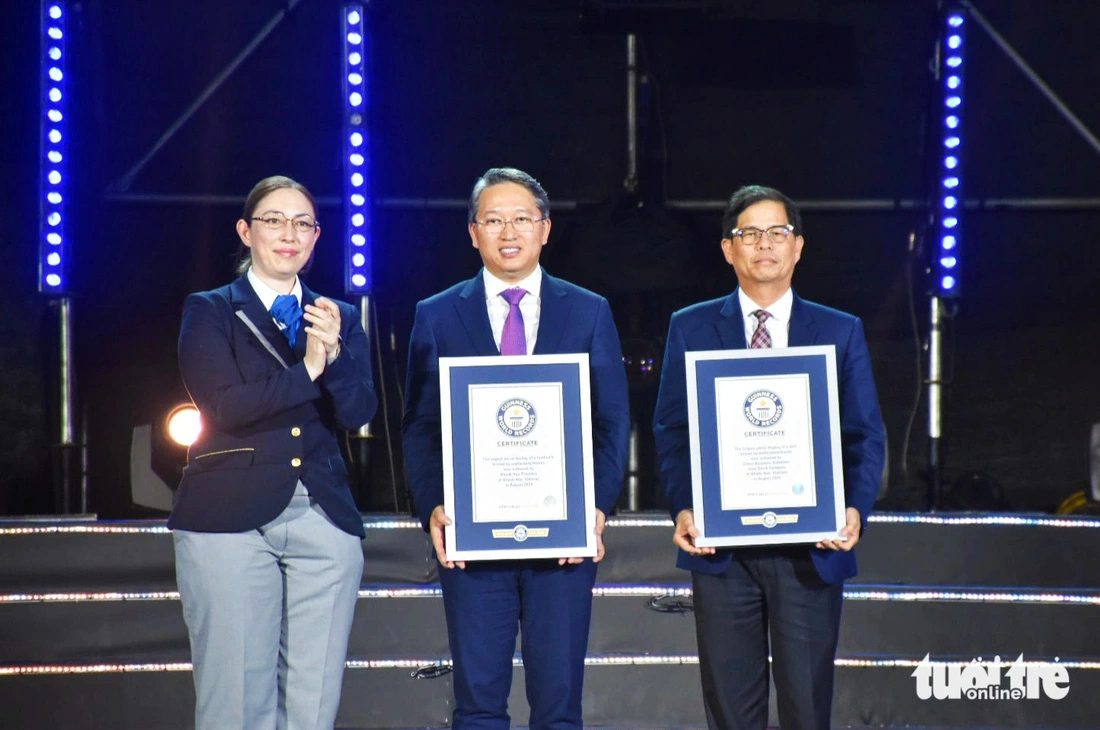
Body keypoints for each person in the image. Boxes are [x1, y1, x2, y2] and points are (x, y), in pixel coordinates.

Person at [402, 167, 631, 729]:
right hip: (474, 541)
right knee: (478, 704)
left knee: (558, 707)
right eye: (494, 219)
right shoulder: (435, 314)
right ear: (473, 232)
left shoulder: (588, 310)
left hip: (562, 545)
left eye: (522, 218)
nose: (509, 231)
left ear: (545, 229)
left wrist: (596, 509)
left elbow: (611, 420)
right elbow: (420, 426)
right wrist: (434, 505)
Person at [652, 185, 886, 730]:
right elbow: (672, 429)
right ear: (728, 249)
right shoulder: (690, 326)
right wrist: (686, 508)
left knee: (806, 708)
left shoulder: (838, 330)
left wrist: (852, 510)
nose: (764, 244)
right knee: (731, 711)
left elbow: (865, 435)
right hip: (723, 553)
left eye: (776, 232)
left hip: (809, 549)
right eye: (748, 233)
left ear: (797, 247)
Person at [168, 175, 377, 729]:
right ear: (246, 231)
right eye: (274, 220)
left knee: (313, 702)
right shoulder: (211, 310)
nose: (290, 233)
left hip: (322, 513)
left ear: (316, 238)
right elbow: (224, 407)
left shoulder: (340, 317)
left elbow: (359, 414)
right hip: (229, 514)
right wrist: (307, 368)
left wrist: (333, 354)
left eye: (303, 223)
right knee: (236, 696)